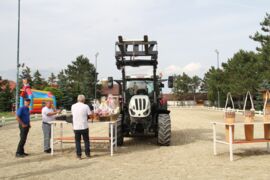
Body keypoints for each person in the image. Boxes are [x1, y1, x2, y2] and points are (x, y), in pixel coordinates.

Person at [71, 95, 92, 159]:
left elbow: (73, 114)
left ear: (78, 99)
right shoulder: (86, 106)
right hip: (84, 126)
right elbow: (90, 115)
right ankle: (87, 154)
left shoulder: (73, 106)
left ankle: (79, 155)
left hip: (76, 126)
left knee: (77, 141)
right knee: (86, 141)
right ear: (83, 100)